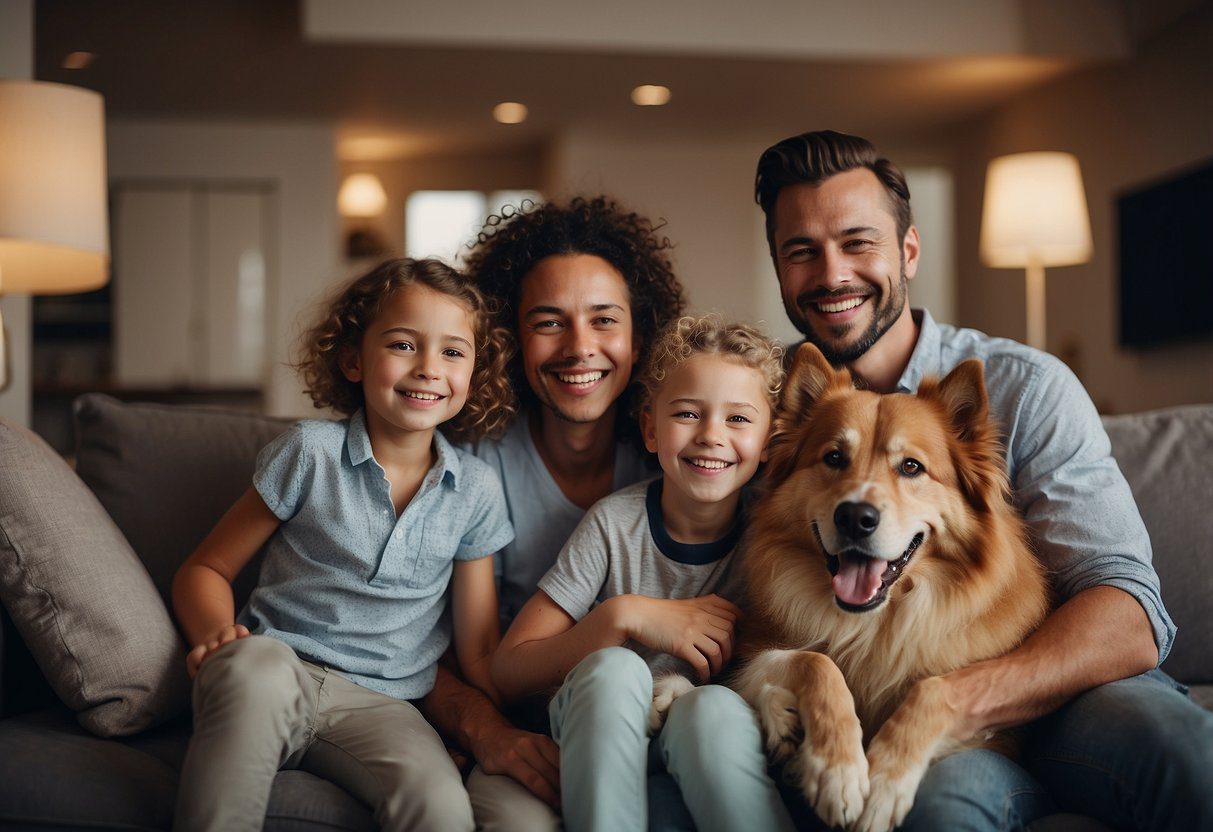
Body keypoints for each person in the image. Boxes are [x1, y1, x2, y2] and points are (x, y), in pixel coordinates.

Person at [754, 129, 1212, 830]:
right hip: (901, 719)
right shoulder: (765, 400)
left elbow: (1128, 612)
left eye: (857, 242)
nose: (831, 273)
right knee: (943, 808)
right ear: (779, 268)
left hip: (1065, 690)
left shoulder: (1024, 386)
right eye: (801, 251)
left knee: (1176, 747)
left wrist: (945, 701)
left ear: (908, 250)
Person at [171, 258, 516, 832]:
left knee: (442, 807)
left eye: (453, 352)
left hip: (386, 707)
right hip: (277, 667)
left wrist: (491, 730)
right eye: (404, 345)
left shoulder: (477, 491)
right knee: (252, 671)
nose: (430, 368)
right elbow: (204, 568)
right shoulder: (308, 452)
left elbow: (479, 651)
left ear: (475, 375)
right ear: (354, 359)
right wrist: (217, 640)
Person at [416, 196, 691, 831]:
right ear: (509, 338)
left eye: (604, 321)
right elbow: (404, 637)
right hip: (517, 725)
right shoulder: (464, 464)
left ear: (639, 335)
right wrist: (488, 734)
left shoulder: (681, 456)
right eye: (549, 322)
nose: (579, 348)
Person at [492, 314, 794, 832]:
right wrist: (624, 616)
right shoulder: (614, 524)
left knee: (713, 708)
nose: (710, 436)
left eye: (739, 420)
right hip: (597, 729)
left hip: (699, 735)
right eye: (687, 414)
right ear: (651, 429)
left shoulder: (770, 537)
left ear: (768, 442)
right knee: (617, 670)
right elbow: (508, 671)